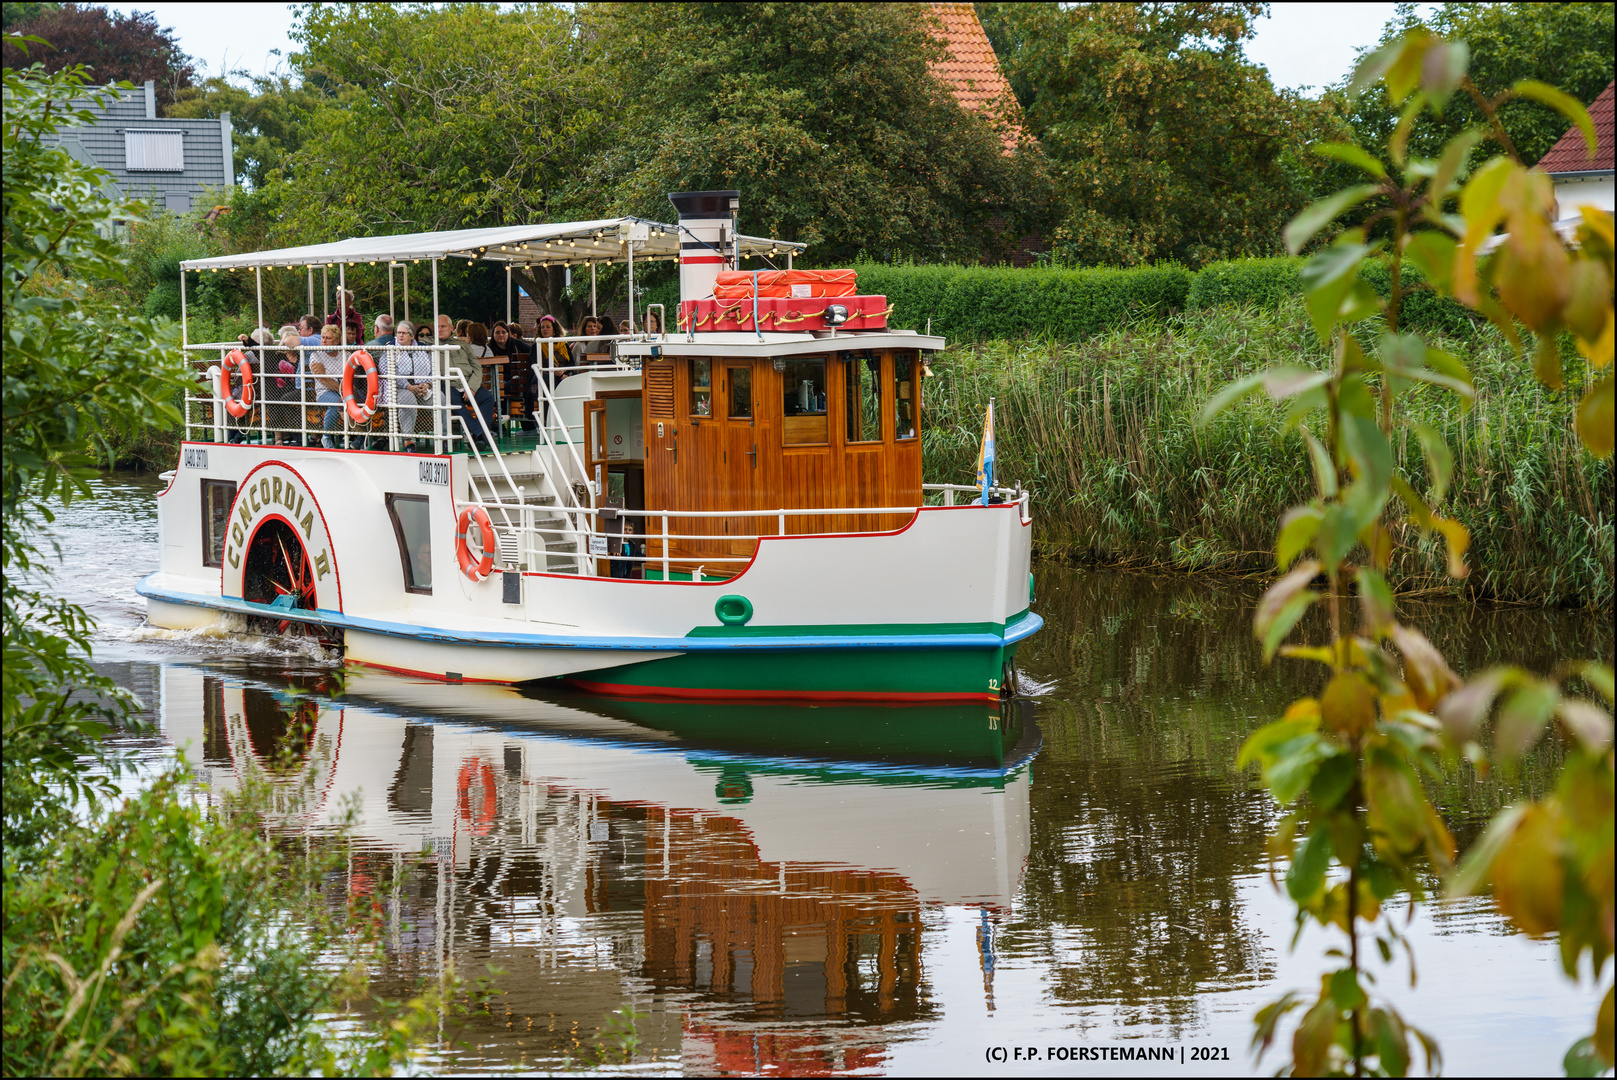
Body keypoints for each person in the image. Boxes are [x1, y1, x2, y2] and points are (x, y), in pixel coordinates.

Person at [437, 314, 496, 447]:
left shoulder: (463, 345)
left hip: (467, 383)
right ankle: (482, 434)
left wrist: (471, 388)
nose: (440, 329)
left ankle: (478, 436)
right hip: (448, 384)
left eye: (443, 326)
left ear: (451, 328)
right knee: (454, 403)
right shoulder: (430, 345)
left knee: (487, 398)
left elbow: (477, 367)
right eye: (438, 327)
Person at [392, 321, 436, 452]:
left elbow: (434, 369)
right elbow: (388, 370)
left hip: (422, 387)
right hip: (402, 388)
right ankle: (408, 440)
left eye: (403, 333)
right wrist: (408, 386)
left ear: (411, 336)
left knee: (441, 400)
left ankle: (444, 438)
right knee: (408, 400)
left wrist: (428, 384)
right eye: (398, 333)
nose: (400, 336)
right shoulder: (390, 348)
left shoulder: (423, 348)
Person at [308, 324, 348, 449]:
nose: (324, 341)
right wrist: (342, 389)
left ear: (337, 341)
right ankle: (326, 437)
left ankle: (359, 438)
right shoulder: (316, 355)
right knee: (338, 403)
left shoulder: (344, 354)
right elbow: (322, 379)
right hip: (324, 391)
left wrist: (346, 389)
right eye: (323, 338)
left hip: (345, 390)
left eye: (328, 338)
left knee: (356, 401)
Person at [268, 329, 305, 444]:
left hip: (296, 388)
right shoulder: (278, 355)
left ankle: (297, 436)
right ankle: (280, 437)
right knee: (274, 400)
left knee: (287, 400)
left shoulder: (301, 355)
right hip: (280, 387)